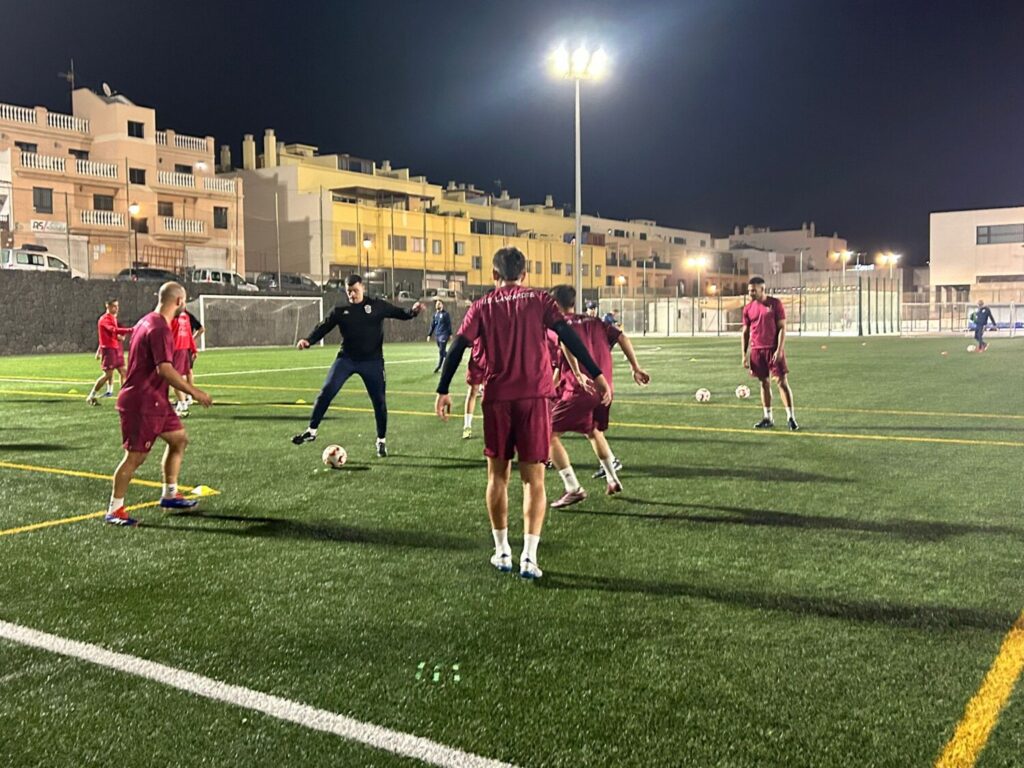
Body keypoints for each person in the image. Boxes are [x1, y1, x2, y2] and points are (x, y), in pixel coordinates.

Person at [435, 247, 610, 580]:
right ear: (525, 275)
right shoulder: (539, 300)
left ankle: (502, 552)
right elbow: (568, 335)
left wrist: (443, 389)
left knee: (497, 477)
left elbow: (458, 346)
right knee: (534, 481)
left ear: (493, 275)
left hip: (498, 399)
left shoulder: (481, 306)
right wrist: (597, 374)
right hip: (535, 399)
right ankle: (529, 557)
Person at [106, 282, 212, 526]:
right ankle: (115, 509)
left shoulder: (146, 321)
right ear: (178, 302)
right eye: (184, 300)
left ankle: (170, 493)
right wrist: (195, 392)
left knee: (179, 439)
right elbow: (164, 369)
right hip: (142, 401)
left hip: (156, 400)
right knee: (134, 458)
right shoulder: (160, 328)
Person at [292, 274, 425, 457]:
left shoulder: (377, 306)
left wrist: (413, 311)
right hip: (346, 359)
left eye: (355, 290)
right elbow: (323, 326)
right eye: (349, 292)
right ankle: (311, 431)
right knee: (326, 391)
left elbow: (400, 313)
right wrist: (308, 340)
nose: (352, 295)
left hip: (373, 362)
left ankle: (381, 441)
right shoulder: (341, 310)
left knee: (379, 402)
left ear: (362, 287)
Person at [547, 285, 650, 507]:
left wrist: (570, 376)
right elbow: (622, 337)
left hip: (579, 389)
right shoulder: (595, 322)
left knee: (547, 435)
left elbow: (563, 350)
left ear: (554, 304)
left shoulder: (557, 327)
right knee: (592, 431)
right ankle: (613, 479)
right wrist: (635, 367)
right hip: (604, 390)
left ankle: (572, 487)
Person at [741, 276, 798, 431]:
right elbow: (745, 332)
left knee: (781, 382)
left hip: (773, 349)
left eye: (753, 290)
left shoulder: (775, 304)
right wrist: (744, 354)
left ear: (762, 289)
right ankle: (768, 417)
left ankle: (791, 417)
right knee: (764, 383)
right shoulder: (748, 308)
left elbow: (782, 328)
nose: (751, 293)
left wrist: (779, 350)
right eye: (749, 291)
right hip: (757, 351)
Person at [87, 299, 132, 406]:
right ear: (107, 306)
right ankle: (91, 396)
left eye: (117, 306)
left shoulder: (113, 318)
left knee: (124, 372)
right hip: (109, 350)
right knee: (107, 375)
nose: (116, 308)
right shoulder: (104, 319)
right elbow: (113, 330)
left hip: (116, 349)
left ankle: (124, 397)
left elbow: (115, 333)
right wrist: (130, 330)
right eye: (114, 306)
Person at [172, 309, 204, 418]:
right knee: (183, 374)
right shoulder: (185, 316)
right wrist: (193, 348)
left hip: (176, 349)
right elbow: (189, 334)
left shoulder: (172, 315)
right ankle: (184, 400)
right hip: (184, 348)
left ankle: (183, 405)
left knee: (175, 377)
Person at [462, 337, 487, 440]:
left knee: (492, 397)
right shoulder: (477, 321)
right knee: (473, 392)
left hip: (493, 363)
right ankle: (467, 426)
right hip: (476, 361)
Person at [427, 299, 452, 373]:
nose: (438, 305)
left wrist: (450, 334)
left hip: (444, 335)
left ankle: (439, 367)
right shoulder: (435, 315)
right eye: (437, 304)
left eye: (439, 303)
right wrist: (429, 335)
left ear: (442, 305)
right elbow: (432, 325)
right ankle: (453, 358)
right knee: (442, 351)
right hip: (437, 335)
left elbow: (448, 324)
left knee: (441, 351)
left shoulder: (445, 314)